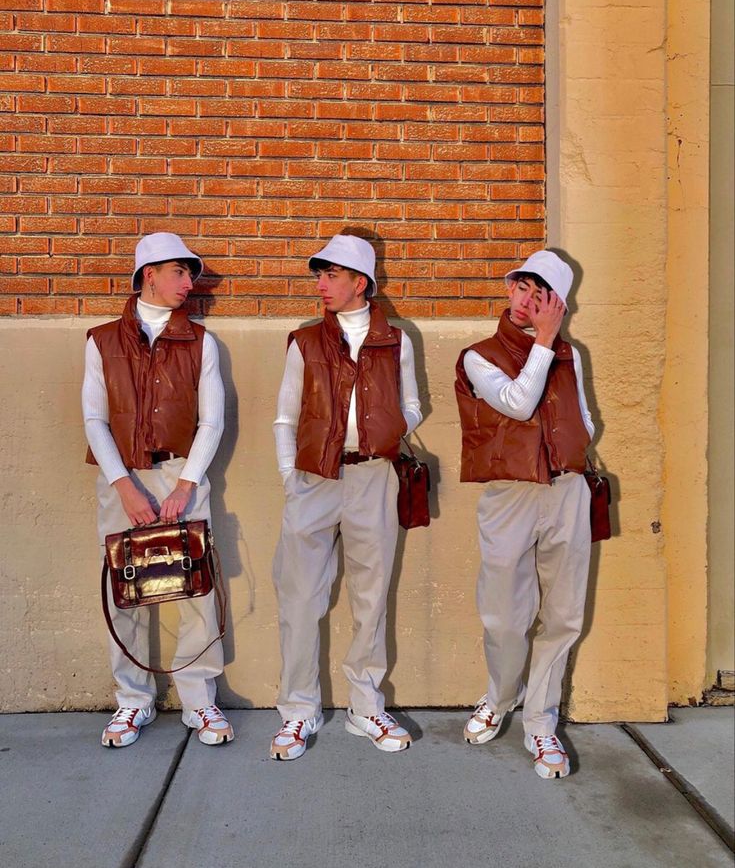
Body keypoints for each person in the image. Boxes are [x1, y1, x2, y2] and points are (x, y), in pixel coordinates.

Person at [270, 233, 423, 760]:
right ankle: (296, 710)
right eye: (320, 275)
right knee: (299, 598)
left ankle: (364, 705)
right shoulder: (305, 340)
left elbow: (412, 407)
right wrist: (292, 480)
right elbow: (285, 416)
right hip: (314, 480)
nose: (321, 285)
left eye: (331, 275)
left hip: (373, 478)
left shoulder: (397, 341)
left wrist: (384, 426)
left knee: (371, 595)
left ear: (361, 282)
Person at [83, 232, 234, 748]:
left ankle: (199, 700)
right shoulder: (101, 340)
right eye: (179, 272)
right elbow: (93, 418)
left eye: (191, 274)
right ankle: (132, 702)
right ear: (149, 273)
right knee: (123, 591)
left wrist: (185, 485)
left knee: (196, 588)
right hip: (120, 477)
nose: (189, 283)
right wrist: (123, 485)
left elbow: (211, 422)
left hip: (180, 475)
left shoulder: (200, 341)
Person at [454, 250, 595, 779]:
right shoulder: (478, 355)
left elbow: (581, 417)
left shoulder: (570, 355)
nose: (527, 302)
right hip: (510, 495)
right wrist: (543, 341)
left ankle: (541, 720)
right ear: (509, 289)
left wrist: (575, 451)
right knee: (505, 617)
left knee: (563, 615)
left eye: (542, 294)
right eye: (522, 289)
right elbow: (517, 401)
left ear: (558, 303)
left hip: (566, 490)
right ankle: (499, 695)